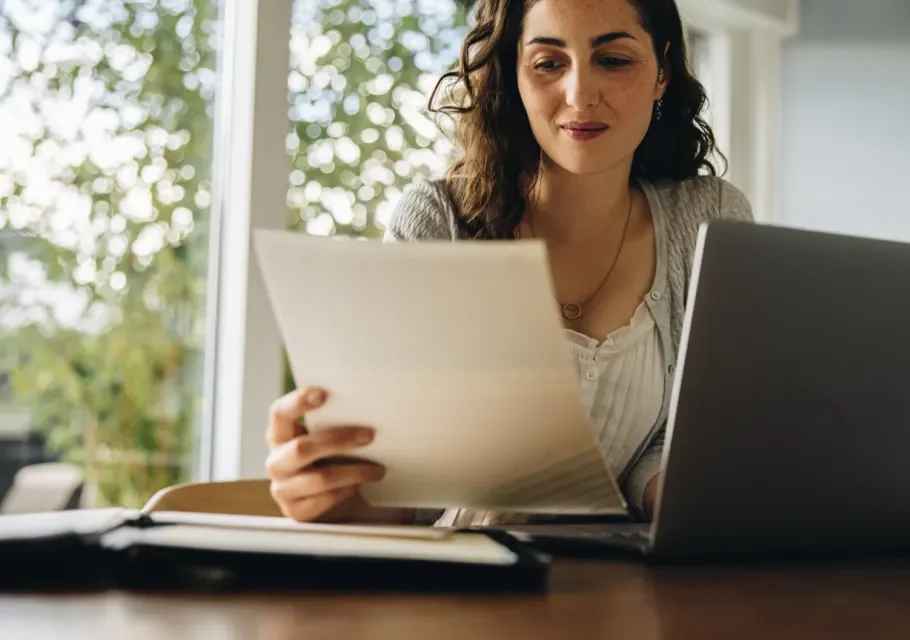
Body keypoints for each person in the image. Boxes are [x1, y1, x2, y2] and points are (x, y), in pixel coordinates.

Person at [264, 0, 754, 525]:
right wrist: (332, 492)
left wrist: (673, 489)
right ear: (513, 76)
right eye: (548, 63)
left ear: (663, 72)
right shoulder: (438, 221)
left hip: (639, 590)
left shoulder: (712, 218)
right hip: (466, 587)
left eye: (614, 60)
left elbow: (695, 433)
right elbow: (401, 491)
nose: (580, 94)